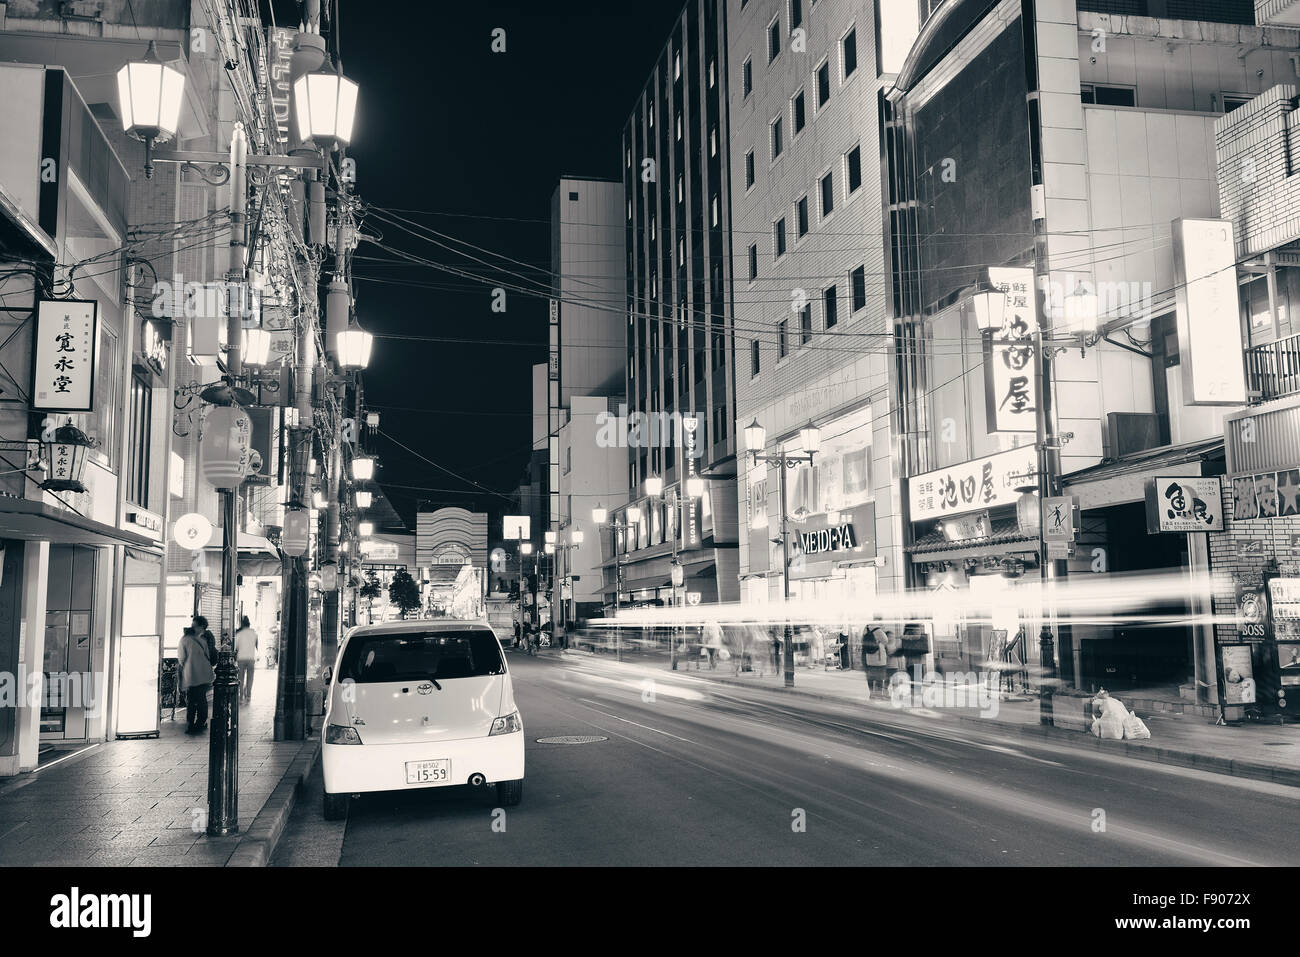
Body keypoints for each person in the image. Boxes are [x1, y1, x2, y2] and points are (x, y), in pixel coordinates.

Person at [178, 626, 215, 734]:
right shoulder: (201, 640)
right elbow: (207, 655)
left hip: (192, 674)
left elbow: (181, 658)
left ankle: (190, 723)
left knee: (191, 701)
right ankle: (201, 722)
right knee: (202, 700)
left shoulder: (183, 640)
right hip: (204, 674)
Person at [233, 615, 259, 705]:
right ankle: (248, 696)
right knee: (250, 678)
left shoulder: (239, 634)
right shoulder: (254, 634)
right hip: (251, 658)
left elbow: (235, 647)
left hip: (241, 658)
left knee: (240, 678)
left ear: (242, 624)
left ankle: (240, 698)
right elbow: (256, 646)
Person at [861, 624, 889, 695]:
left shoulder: (865, 629)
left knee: (870, 678)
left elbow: (862, 641)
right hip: (879, 660)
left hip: (869, 659)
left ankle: (871, 694)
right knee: (879, 679)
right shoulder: (878, 630)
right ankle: (878, 695)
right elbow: (886, 641)